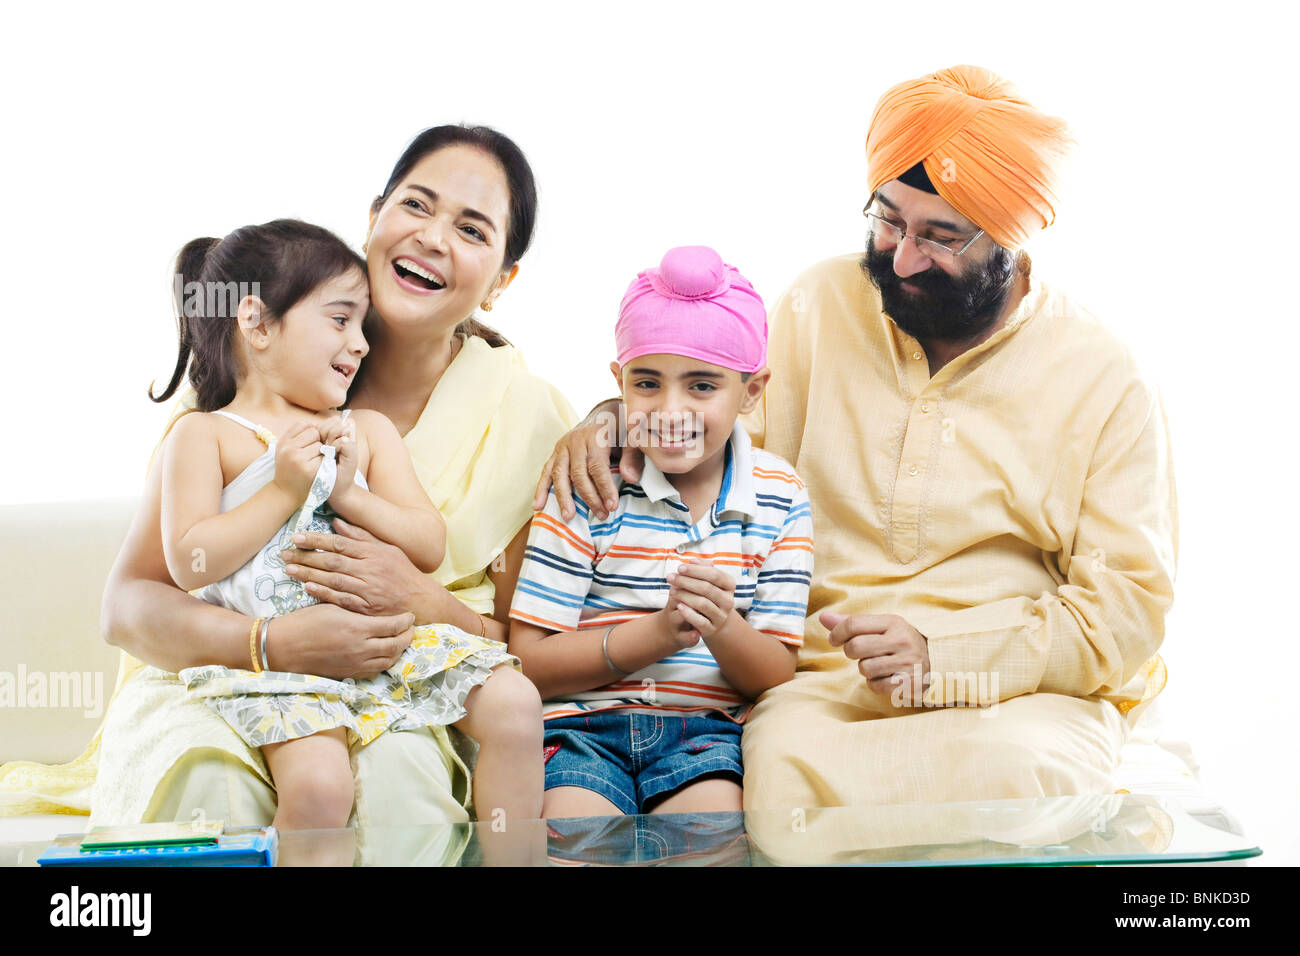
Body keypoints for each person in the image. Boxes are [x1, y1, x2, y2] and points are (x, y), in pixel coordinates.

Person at [536, 65, 1177, 807]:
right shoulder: (820, 303)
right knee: (777, 796)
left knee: (1015, 786)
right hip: (823, 683)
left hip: (1015, 693)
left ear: (1012, 239)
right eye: (887, 220)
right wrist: (611, 416)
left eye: (940, 236)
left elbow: (1128, 608)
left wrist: (944, 657)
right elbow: (709, 439)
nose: (901, 258)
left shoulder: (1105, 374)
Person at [0, 126, 575, 845]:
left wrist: (418, 599)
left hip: (403, 668)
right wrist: (272, 642)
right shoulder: (238, 396)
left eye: (471, 228)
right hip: (221, 662)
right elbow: (132, 602)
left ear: (502, 279)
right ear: (374, 217)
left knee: (401, 780)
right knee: (210, 778)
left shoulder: (532, 418)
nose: (432, 237)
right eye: (416, 205)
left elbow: (532, 645)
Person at [150, 219, 540, 831]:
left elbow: (428, 545)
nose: (361, 344)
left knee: (516, 702)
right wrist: (283, 489)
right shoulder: (205, 436)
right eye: (340, 320)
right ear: (254, 322)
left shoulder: (367, 430)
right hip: (283, 667)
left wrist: (348, 493)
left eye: (362, 325)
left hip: (385, 648)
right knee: (320, 786)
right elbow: (188, 559)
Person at [508, 246, 814, 821]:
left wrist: (720, 626)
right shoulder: (589, 483)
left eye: (702, 386)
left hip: (707, 736)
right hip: (580, 730)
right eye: (647, 383)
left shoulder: (780, 495)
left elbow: (774, 673)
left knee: (711, 836)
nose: (671, 410)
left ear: (751, 391)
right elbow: (528, 663)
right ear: (619, 382)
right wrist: (654, 636)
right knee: (574, 837)